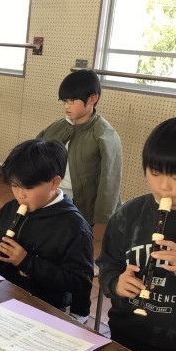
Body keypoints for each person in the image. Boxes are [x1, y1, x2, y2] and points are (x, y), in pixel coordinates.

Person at [97, 117, 176, 351]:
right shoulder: (128, 215)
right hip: (127, 332)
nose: (164, 186)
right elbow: (108, 264)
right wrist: (116, 283)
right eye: (155, 173)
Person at [0, 139, 94, 323]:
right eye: (15, 185)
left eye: (28, 187)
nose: (20, 195)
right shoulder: (9, 209)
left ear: (54, 183)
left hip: (43, 308)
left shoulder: (74, 227)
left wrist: (26, 261)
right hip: (3, 294)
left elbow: (80, 281)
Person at [38, 69, 122, 238]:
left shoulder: (105, 134)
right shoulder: (57, 127)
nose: (66, 106)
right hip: (52, 194)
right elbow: (36, 155)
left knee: (72, 240)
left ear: (93, 98)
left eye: (72, 100)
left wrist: (102, 216)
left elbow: (110, 179)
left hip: (82, 204)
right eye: (64, 101)